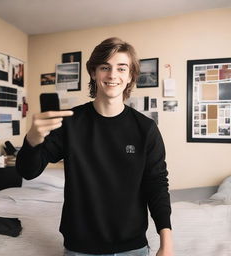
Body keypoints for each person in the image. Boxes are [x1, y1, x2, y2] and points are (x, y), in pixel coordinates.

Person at [16, 37, 173, 256]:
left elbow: (156, 185)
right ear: (93, 72)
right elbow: (28, 172)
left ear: (130, 76)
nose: (112, 75)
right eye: (105, 67)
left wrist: (167, 243)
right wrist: (32, 138)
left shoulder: (146, 129)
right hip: (80, 247)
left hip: (132, 246)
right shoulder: (70, 123)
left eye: (121, 68)